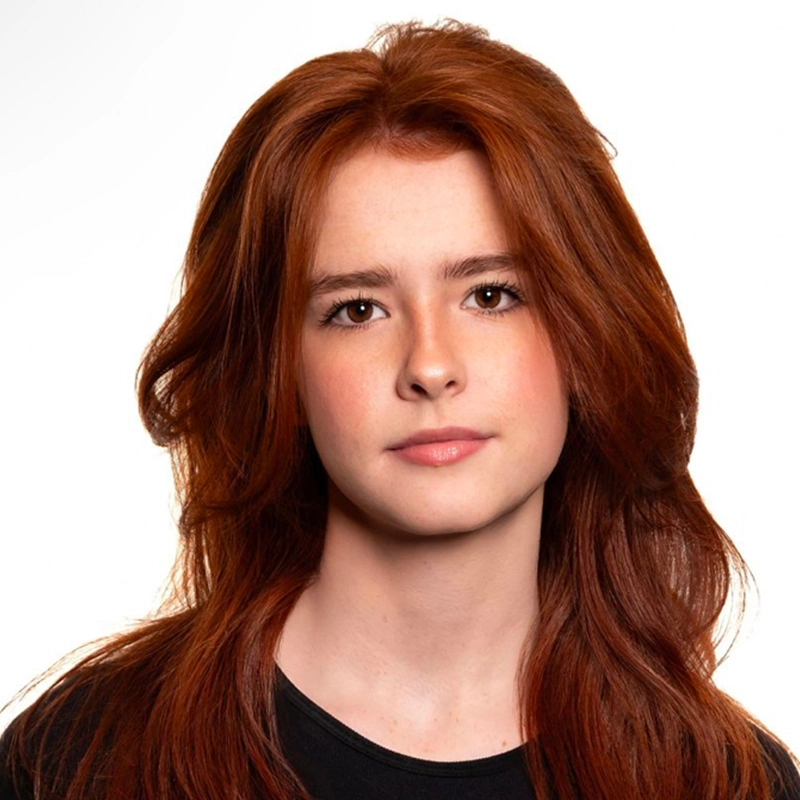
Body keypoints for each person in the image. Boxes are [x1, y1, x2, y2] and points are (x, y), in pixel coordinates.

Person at [1, 19, 797, 800]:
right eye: (356, 309)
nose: (430, 366)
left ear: (586, 335)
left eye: (491, 296)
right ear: (279, 374)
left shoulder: (726, 781)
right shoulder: (81, 760)